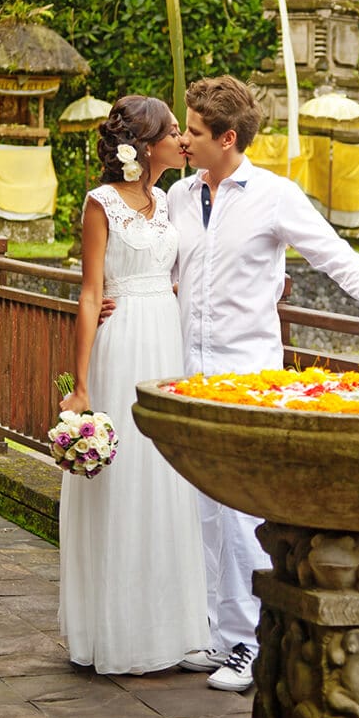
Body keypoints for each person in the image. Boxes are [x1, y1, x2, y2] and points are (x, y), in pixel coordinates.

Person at [168, 75, 359, 692]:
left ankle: (250, 645)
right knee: (203, 510)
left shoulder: (274, 196)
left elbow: (335, 255)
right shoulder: (182, 195)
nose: (185, 138)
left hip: (247, 379)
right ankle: (218, 631)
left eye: (195, 131)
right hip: (187, 375)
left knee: (240, 514)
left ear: (227, 138)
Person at [59, 94, 210, 675]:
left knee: (168, 481)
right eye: (174, 131)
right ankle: (116, 631)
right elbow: (92, 292)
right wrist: (80, 385)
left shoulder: (169, 200)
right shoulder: (100, 204)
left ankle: (177, 631)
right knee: (123, 484)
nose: (182, 138)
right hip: (122, 347)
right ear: (145, 146)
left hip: (166, 340)